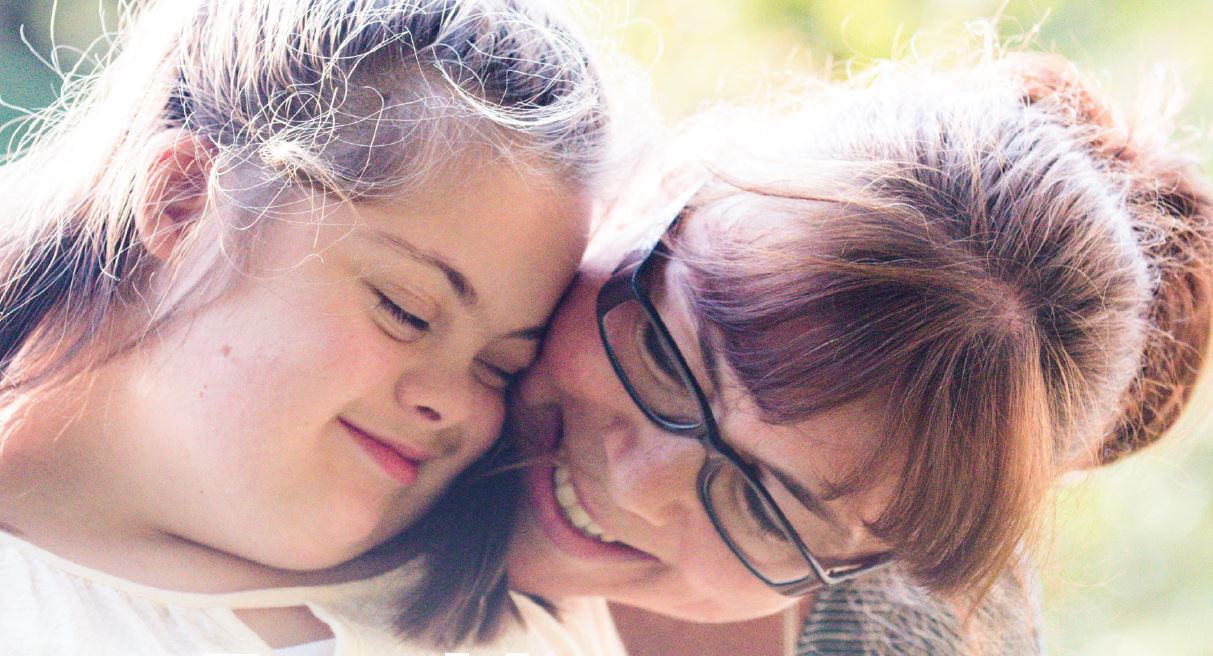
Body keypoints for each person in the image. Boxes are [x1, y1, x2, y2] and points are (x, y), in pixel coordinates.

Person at [492, 49, 1212, 654]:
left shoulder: (899, 636)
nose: (636, 486)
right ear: (669, 184)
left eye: (763, 506)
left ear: (875, 566)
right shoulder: (446, 212)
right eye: (663, 356)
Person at [0, 0, 616, 654]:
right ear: (181, 201)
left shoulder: (530, 614)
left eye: (500, 369)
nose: (453, 402)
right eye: (404, 309)